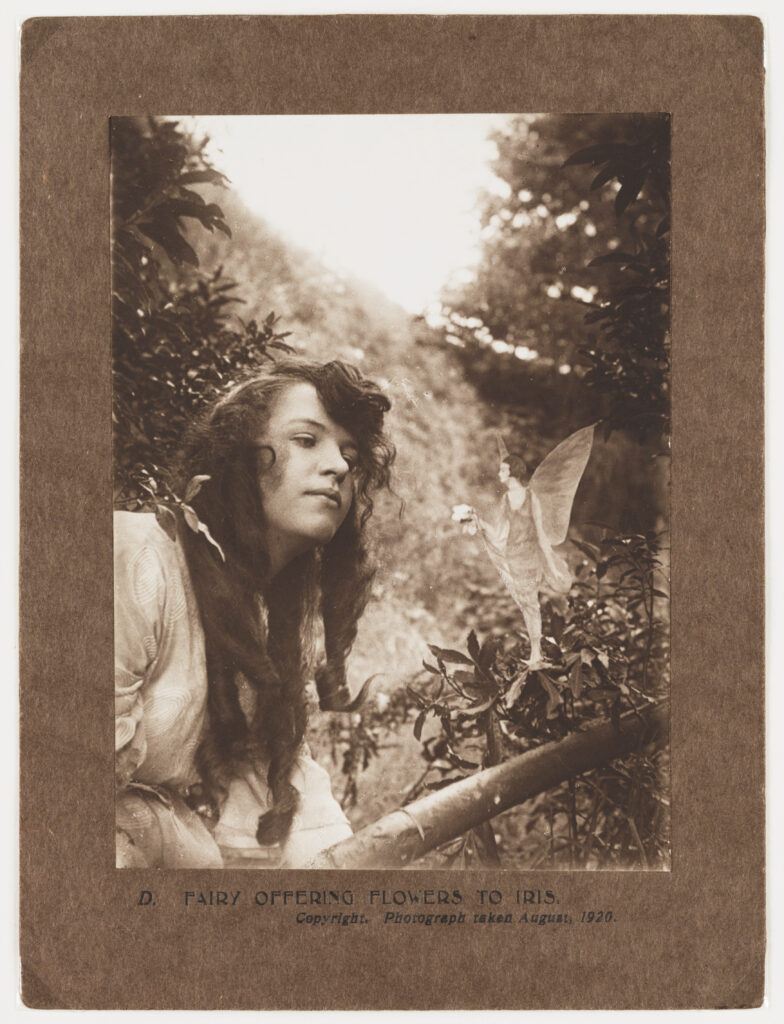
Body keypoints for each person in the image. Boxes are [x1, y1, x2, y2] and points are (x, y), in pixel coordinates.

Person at [114, 358, 395, 868]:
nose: (338, 467)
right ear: (238, 457)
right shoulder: (135, 557)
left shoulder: (265, 618)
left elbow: (281, 799)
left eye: (350, 455)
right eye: (307, 441)